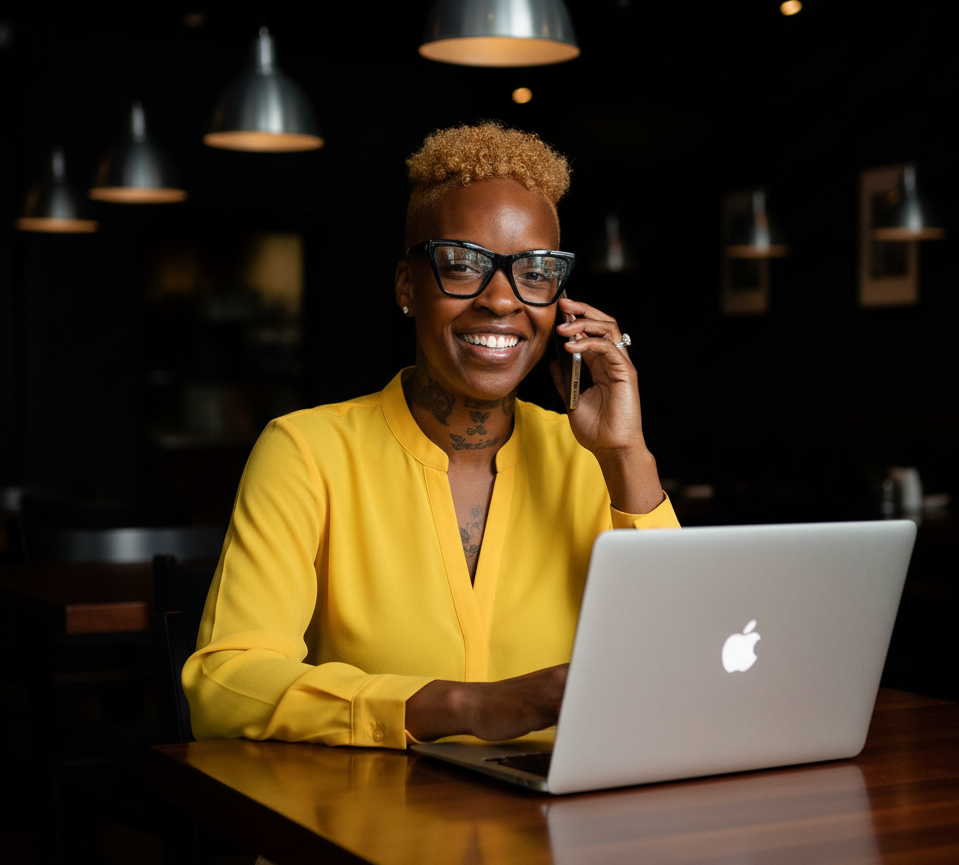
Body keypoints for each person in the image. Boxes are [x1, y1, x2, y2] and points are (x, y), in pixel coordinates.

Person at [183, 122, 679, 749]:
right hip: (373, 826)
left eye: (535, 272)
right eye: (463, 265)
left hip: (553, 832)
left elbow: (678, 667)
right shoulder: (307, 451)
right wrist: (468, 706)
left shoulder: (592, 461)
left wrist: (626, 455)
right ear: (406, 287)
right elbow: (226, 684)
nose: (502, 301)